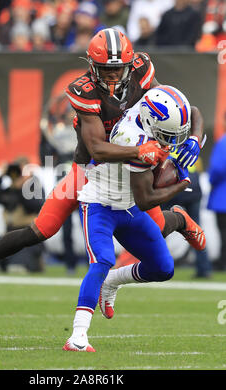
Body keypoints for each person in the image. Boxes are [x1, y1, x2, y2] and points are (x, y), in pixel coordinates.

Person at [0, 28, 204, 289]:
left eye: (117, 68)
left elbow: (183, 108)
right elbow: (98, 149)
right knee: (41, 229)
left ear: (129, 63)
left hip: (128, 171)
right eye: (105, 68)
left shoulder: (141, 71)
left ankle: (179, 219)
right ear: (91, 65)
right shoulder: (85, 90)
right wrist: (139, 151)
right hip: (89, 170)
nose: (112, 75)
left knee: (156, 227)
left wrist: (193, 136)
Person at [63, 86, 203, 352]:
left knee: (163, 268)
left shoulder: (151, 110)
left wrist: (194, 139)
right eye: (167, 135)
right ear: (151, 123)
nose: (171, 141)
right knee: (102, 260)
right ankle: (78, 335)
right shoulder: (132, 138)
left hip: (127, 207)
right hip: (100, 204)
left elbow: (194, 112)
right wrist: (183, 181)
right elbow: (146, 199)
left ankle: (112, 281)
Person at [0, 156, 45, 272]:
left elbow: (35, 206)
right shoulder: (11, 189)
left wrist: (22, 189)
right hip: (9, 232)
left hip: (29, 233)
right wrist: (2, 176)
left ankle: (32, 263)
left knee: (21, 260)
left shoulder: (35, 186)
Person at [207, 134, 226, 271]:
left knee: (224, 233)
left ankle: (222, 263)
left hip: (223, 197)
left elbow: (217, 168)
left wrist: (211, 181)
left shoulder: (223, 142)